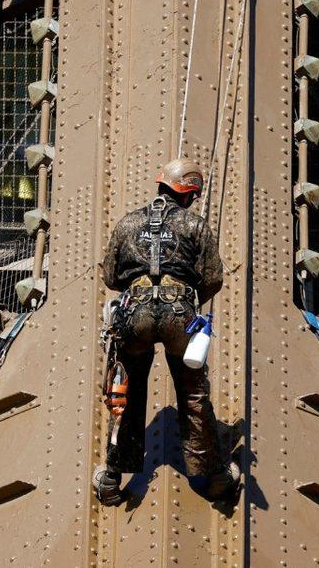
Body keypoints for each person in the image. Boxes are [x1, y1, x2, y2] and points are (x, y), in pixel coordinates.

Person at [93, 158, 239, 506]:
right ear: (187, 193)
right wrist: (186, 299)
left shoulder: (128, 223)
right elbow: (214, 278)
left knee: (125, 389)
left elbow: (110, 277)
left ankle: (112, 478)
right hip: (179, 315)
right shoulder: (194, 224)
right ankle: (216, 478)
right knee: (193, 394)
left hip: (136, 312)